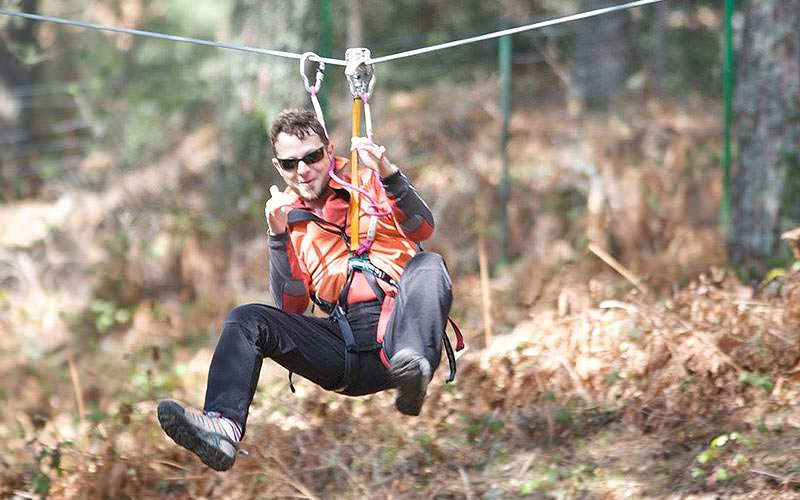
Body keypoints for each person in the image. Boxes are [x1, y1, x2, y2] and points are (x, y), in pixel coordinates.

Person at [157, 109, 455, 471]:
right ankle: (223, 426)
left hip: (401, 327)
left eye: (312, 157)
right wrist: (278, 236)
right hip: (343, 347)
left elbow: (422, 228)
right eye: (289, 163)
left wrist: (389, 173)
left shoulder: (369, 178)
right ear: (277, 166)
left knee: (428, 265)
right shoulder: (289, 217)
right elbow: (290, 307)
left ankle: (413, 371)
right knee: (247, 319)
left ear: (329, 150)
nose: (303, 171)